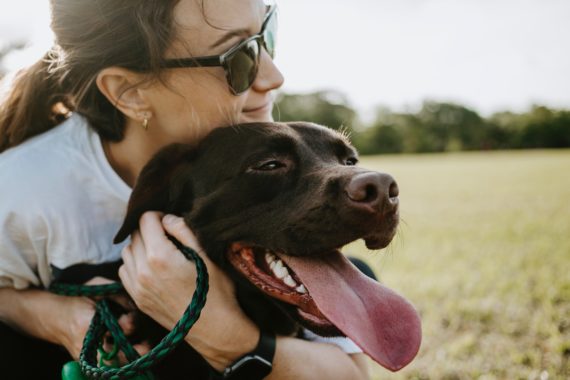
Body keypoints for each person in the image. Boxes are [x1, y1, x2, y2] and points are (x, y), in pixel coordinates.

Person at [0, 0, 371, 379]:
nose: (273, 75)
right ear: (129, 92)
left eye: (267, 34)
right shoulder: (19, 191)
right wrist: (57, 318)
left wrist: (221, 331)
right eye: (237, 56)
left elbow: (351, 376)